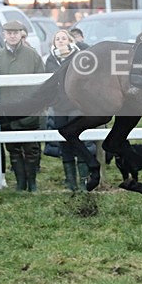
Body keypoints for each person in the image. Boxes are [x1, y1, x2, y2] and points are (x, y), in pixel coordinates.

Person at [0, 20, 45, 192]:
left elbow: (42, 81)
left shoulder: (33, 55)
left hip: (29, 109)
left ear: (21, 34)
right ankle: (20, 184)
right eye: (9, 33)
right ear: (4, 35)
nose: (12, 35)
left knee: (31, 148)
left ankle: (33, 183)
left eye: (15, 32)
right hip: (8, 110)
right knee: (13, 149)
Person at [44, 30, 95, 191]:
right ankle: (70, 181)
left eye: (63, 38)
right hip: (59, 105)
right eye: (57, 38)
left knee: (78, 138)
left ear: (69, 41)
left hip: (76, 104)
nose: (60, 41)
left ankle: (83, 180)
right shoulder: (51, 59)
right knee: (63, 141)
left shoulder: (78, 56)